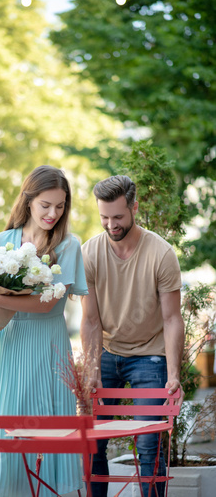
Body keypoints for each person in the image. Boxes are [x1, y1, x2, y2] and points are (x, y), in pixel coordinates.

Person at [0, 165, 88, 497]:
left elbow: (46, 304)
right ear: (29, 201)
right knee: (5, 425)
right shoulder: (2, 243)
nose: (53, 213)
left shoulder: (68, 244)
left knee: (49, 431)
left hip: (49, 343)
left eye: (60, 206)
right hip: (12, 346)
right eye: (46, 205)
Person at [80, 175, 185, 497]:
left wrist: (173, 374)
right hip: (108, 351)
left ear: (134, 208)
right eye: (105, 217)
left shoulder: (161, 253)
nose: (111, 224)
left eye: (118, 217)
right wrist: (92, 369)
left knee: (149, 441)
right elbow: (91, 319)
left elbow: (171, 318)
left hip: (150, 354)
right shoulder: (90, 253)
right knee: (94, 439)